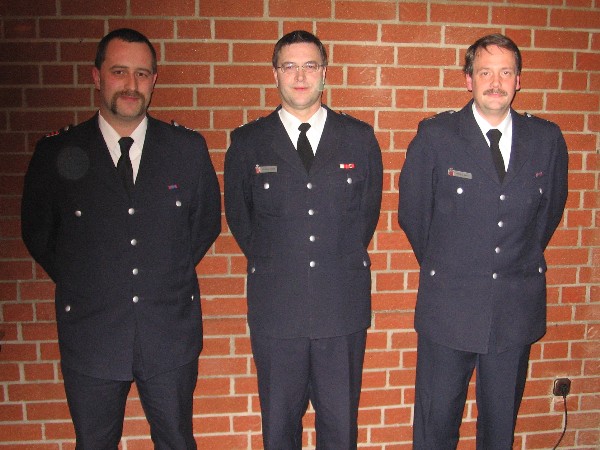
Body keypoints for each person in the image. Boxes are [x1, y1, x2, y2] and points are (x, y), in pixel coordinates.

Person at [21, 28, 221, 448]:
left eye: (142, 74)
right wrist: (88, 281)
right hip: (91, 333)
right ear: (97, 76)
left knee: (177, 441)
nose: (131, 84)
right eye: (119, 72)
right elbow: (39, 233)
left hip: (168, 333)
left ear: (154, 80)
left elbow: (204, 227)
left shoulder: (186, 150)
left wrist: (161, 275)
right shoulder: (57, 153)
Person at [398, 34, 568, 449]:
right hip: (448, 307)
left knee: (498, 431)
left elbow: (547, 216)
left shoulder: (545, 140)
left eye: (506, 72)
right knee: (436, 429)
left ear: (518, 80)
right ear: (468, 80)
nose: (496, 82)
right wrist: (450, 265)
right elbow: (414, 215)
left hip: (514, 309)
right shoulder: (436, 136)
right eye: (485, 72)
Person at [224, 30, 383, 449]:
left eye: (310, 66)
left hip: (341, 309)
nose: (300, 76)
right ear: (275, 74)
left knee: (340, 429)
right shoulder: (248, 142)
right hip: (277, 311)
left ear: (324, 73)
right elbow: (242, 221)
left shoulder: (359, 138)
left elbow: (365, 218)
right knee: (279, 430)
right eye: (289, 66)